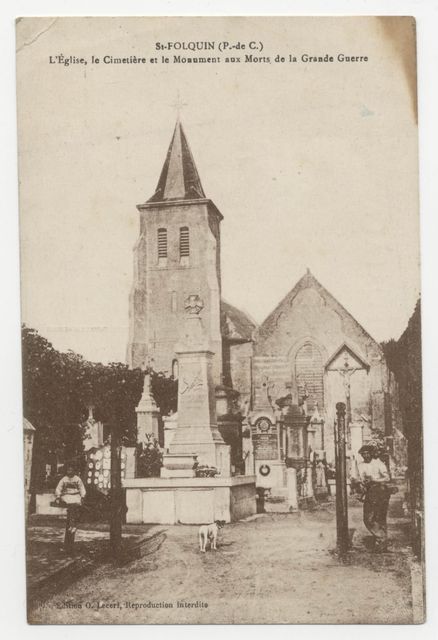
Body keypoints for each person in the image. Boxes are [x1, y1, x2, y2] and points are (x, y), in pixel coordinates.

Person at [357, 444, 391, 551]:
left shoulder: (378, 463)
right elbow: (359, 478)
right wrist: (360, 483)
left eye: (367, 453)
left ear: (371, 454)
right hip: (369, 492)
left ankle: (381, 544)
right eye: (363, 454)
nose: (365, 456)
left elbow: (387, 478)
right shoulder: (360, 465)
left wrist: (374, 480)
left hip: (380, 491)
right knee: (368, 518)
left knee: (380, 517)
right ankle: (381, 538)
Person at [55, 464, 86, 539]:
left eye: (71, 470)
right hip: (67, 495)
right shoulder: (64, 479)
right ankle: (73, 525)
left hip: (75, 495)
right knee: (71, 505)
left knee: (75, 506)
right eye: (68, 470)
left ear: (74, 471)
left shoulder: (77, 479)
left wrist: (82, 496)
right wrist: (58, 496)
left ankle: (73, 525)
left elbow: (82, 488)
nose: (70, 472)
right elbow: (58, 488)